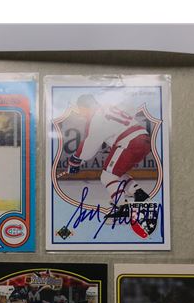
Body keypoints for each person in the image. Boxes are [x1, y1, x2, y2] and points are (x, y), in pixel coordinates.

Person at [65, 94, 156, 229]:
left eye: (82, 110)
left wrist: (75, 161)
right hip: (143, 139)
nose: (82, 114)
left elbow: (90, 143)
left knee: (107, 176)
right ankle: (140, 196)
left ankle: (122, 208)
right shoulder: (108, 108)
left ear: (85, 107)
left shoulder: (95, 118)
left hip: (129, 142)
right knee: (116, 174)